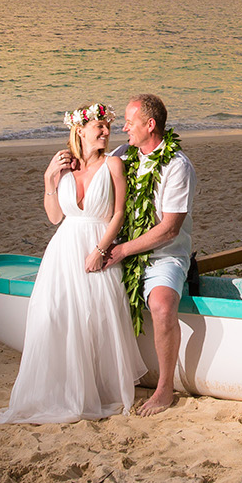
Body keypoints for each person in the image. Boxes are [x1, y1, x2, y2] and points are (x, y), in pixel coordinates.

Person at [0, 102, 146, 424]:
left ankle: (95, 391)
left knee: (95, 319)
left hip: (97, 248)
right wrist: (49, 179)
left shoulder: (114, 165)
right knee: (55, 315)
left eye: (108, 127)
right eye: (99, 127)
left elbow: (118, 214)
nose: (105, 132)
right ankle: (61, 390)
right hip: (63, 250)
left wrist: (100, 250)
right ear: (80, 130)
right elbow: (54, 217)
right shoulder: (64, 166)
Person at [104, 93, 197, 416]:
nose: (125, 129)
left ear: (150, 124)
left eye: (130, 123)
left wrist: (122, 250)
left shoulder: (176, 166)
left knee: (161, 304)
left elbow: (170, 228)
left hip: (165, 255)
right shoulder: (123, 155)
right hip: (124, 249)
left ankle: (164, 389)